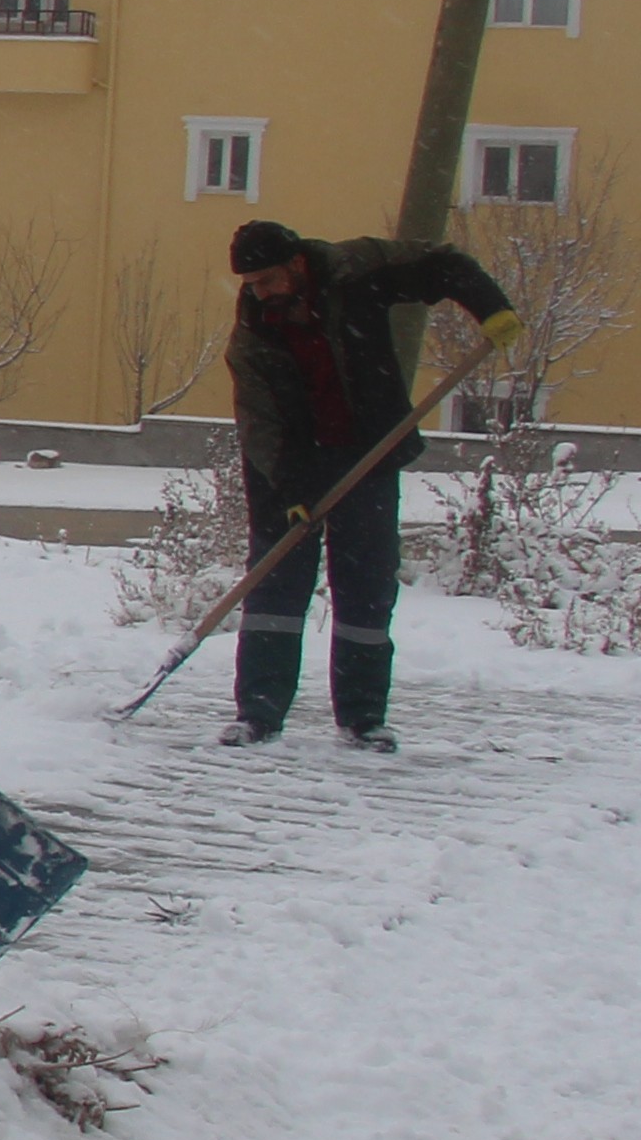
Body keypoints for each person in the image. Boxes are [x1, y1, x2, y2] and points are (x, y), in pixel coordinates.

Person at [216, 219, 522, 752]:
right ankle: (259, 713)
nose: (258, 292)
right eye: (250, 283)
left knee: (365, 586)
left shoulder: (356, 270)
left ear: (295, 264)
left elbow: (441, 263)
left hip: (367, 450)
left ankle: (362, 717)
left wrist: (489, 307)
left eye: (266, 279)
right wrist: (291, 491)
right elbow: (258, 421)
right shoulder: (253, 335)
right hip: (287, 462)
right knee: (275, 585)